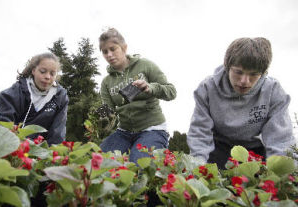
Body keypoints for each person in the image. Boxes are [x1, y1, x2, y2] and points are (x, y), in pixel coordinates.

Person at [187, 37, 296, 169]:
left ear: (263, 73)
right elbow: (200, 133)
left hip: (254, 150)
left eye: (254, 74)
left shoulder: (273, 91)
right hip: (218, 148)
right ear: (227, 67)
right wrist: (198, 169)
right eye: (238, 72)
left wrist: (282, 177)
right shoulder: (207, 88)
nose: (245, 81)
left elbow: (280, 140)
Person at [98, 28, 177, 163]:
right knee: (100, 161)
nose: (109, 55)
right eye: (105, 52)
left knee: (140, 163)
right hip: (124, 132)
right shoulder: (106, 82)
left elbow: (171, 92)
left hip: (152, 129)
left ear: (124, 47)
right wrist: (100, 120)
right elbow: (109, 113)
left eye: (113, 49)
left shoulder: (145, 65)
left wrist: (149, 88)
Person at [0, 52, 69, 145]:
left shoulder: (60, 97)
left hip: (39, 150)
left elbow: (57, 133)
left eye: (52, 74)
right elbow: (2, 124)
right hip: (11, 144)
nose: (47, 77)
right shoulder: (14, 93)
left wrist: (51, 155)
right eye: (43, 71)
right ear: (33, 70)